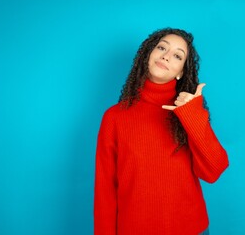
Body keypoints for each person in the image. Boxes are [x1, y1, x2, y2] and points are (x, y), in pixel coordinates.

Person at [94, 27, 229, 235]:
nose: (166, 56)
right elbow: (105, 190)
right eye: (161, 48)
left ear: (181, 72)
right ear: (148, 53)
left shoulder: (188, 111)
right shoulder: (114, 117)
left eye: (177, 56)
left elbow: (213, 171)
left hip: (190, 229)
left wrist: (192, 114)